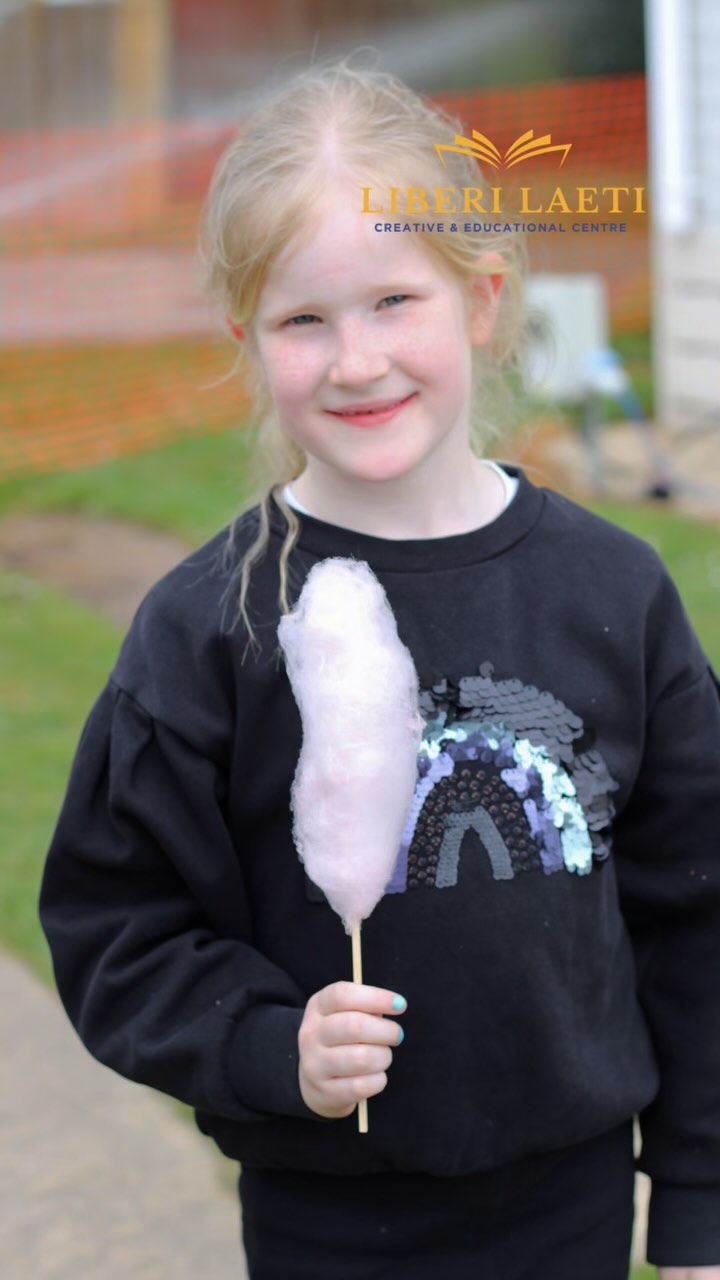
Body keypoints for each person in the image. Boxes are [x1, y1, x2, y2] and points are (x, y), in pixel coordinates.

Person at [39, 54, 720, 1280]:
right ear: (249, 339)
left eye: (394, 301)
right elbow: (114, 923)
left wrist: (701, 1206)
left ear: (484, 298)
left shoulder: (615, 595)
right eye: (306, 319)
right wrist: (265, 1044)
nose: (356, 361)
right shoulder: (209, 627)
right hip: (325, 1218)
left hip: (568, 1203)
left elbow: (699, 917)